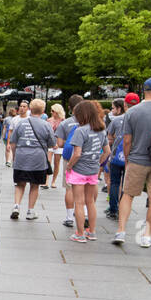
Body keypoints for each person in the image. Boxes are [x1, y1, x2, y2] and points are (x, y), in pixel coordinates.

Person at [114, 77, 151, 248]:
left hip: (137, 159)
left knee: (128, 194)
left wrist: (127, 159)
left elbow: (127, 140)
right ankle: (147, 235)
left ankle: (121, 231)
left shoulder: (133, 111)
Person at [64, 99, 108, 242]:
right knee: (90, 202)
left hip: (79, 171)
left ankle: (80, 233)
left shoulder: (80, 131)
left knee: (79, 202)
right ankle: (92, 232)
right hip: (93, 171)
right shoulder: (101, 130)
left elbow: (77, 153)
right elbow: (107, 151)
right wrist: (98, 162)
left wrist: (69, 166)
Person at [9, 99, 56, 221]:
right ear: (43, 111)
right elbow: (52, 143)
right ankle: (30, 211)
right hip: (38, 159)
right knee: (35, 185)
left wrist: (15, 156)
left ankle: (16, 206)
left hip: (21, 157)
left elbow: (13, 142)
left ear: (30, 109)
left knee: (20, 184)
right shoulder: (46, 125)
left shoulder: (21, 123)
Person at [105, 98, 127, 219]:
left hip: (116, 156)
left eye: (113, 108)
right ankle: (123, 207)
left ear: (119, 108)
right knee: (125, 185)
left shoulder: (116, 120)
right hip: (131, 157)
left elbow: (110, 138)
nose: (112, 110)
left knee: (114, 182)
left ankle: (113, 209)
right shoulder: (135, 120)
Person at [45, 103, 66, 190]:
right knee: (48, 162)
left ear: (57, 111)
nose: (51, 112)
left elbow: (65, 134)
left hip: (59, 145)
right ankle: (46, 181)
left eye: (53, 111)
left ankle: (53, 181)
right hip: (50, 144)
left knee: (56, 163)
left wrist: (59, 143)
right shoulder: (49, 120)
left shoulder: (63, 121)